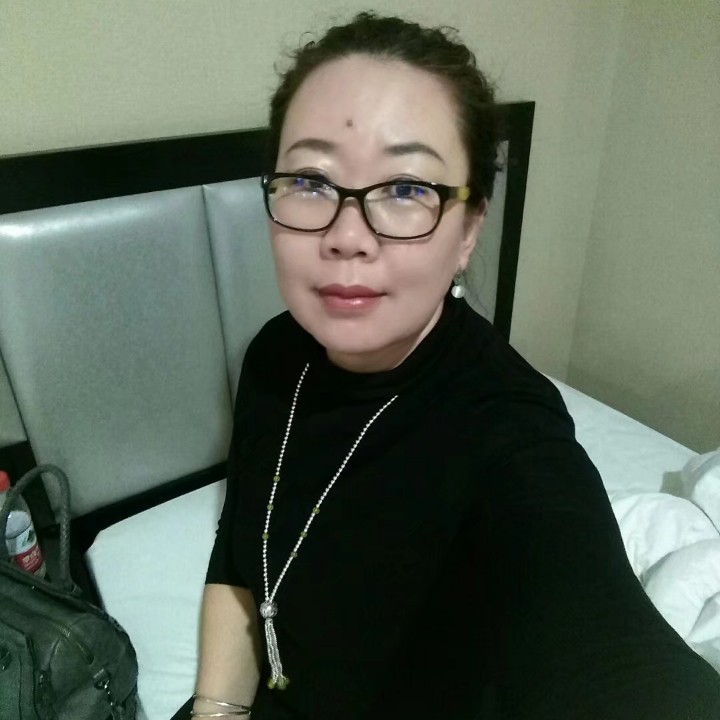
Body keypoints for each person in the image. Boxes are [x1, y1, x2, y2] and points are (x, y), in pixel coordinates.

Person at [175, 12, 720, 720]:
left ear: (469, 229)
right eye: (310, 179)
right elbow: (240, 555)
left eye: (407, 189)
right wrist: (217, 709)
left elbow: (598, 638)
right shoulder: (276, 355)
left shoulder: (506, 430)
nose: (347, 236)